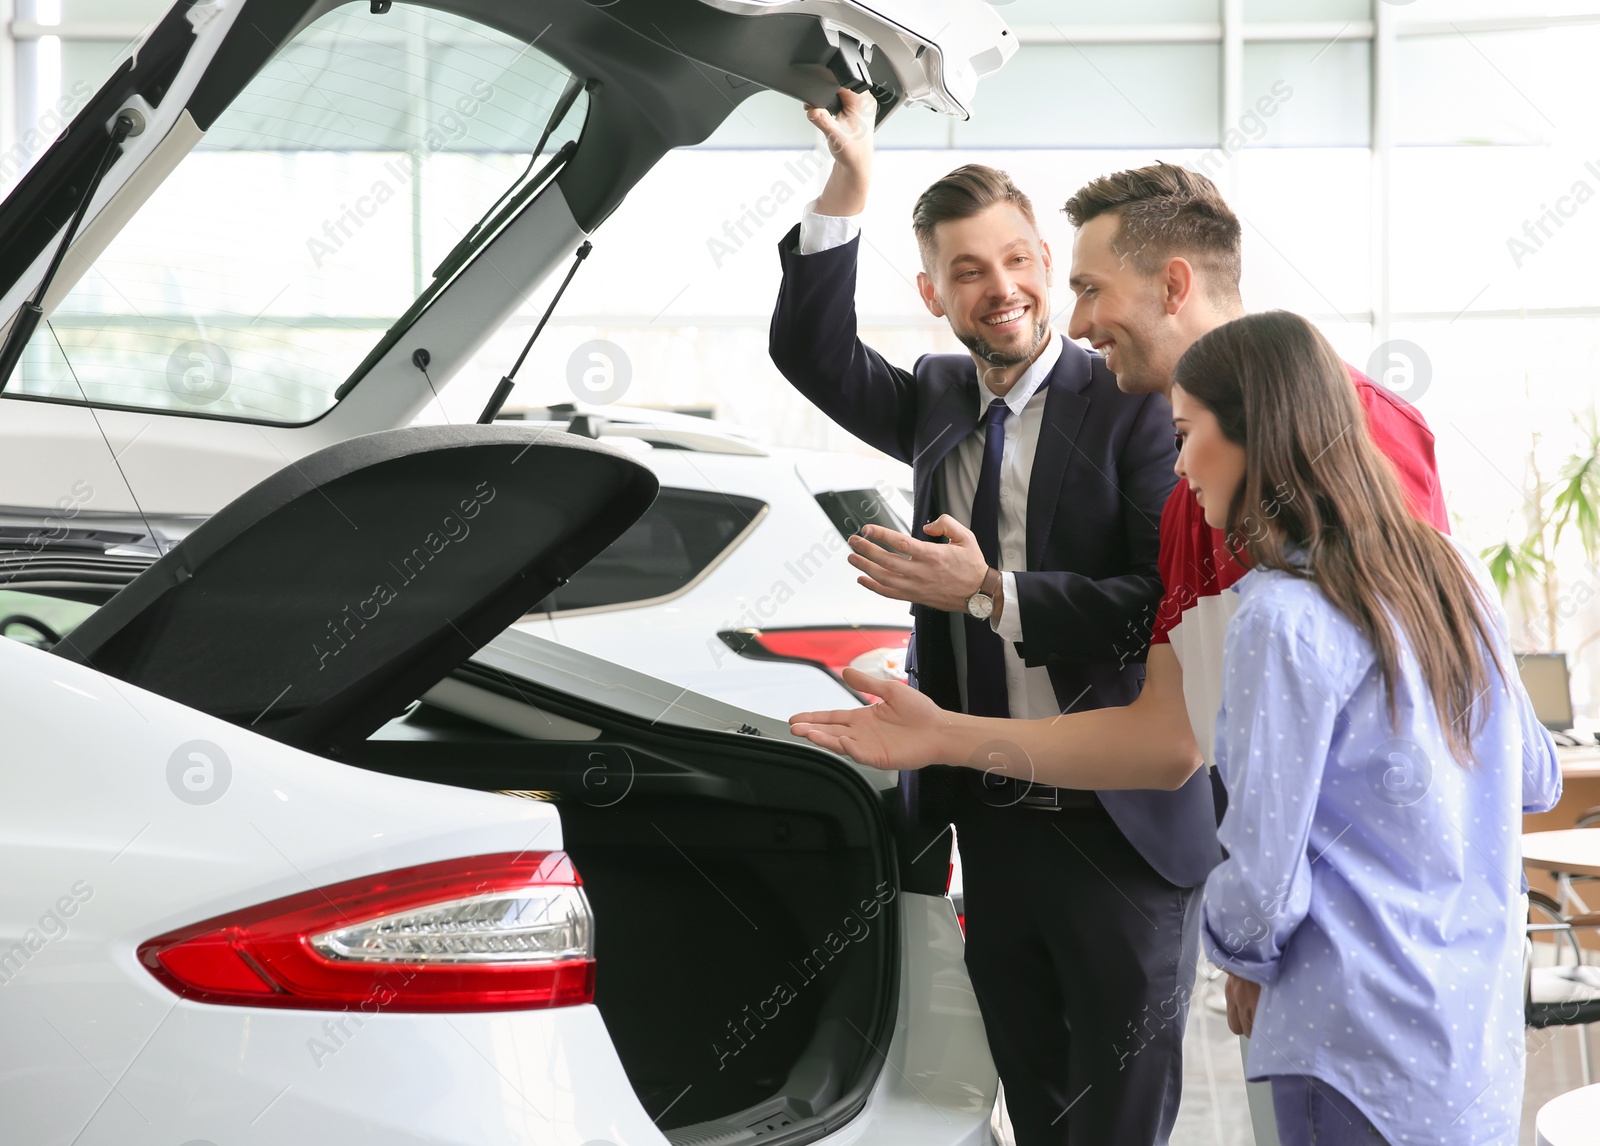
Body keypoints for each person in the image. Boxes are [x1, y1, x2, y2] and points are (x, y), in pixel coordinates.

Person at [789, 160, 1451, 1145]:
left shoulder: (1357, 444)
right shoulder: (1194, 492)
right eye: (973, 270)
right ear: (930, 290)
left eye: (1079, 283)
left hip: (1366, 931)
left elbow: (1437, 730)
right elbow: (1168, 734)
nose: (1075, 314)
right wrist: (951, 738)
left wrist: (1266, 931)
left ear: (1172, 285)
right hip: (1222, 902)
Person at [769, 88, 1217, 1144]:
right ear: (933, 290)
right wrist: (849, 188)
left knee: (1117, 1124)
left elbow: (1151, 612)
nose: (1001, 287)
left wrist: (985, 592)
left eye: (1018, 259)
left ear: (1048, 269)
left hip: (1118, 831)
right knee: (1033, 1107)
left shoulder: (1138, 404)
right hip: (996, 826)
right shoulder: (932, 396)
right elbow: (809, 353)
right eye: (968, 270)